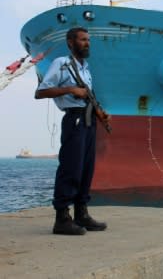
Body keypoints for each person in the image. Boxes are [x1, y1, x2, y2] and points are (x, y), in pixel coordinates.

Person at [35, 27, 109, 235]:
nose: (87, 43)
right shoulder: (61, 63)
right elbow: (40, 92)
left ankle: (81, 214)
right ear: (70, 42)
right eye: (83, 40)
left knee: (87, 168)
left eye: (88, 40)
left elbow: (89, 96)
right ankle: (61, 218)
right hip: (74, 119)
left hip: (89, 119)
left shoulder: (86, 68)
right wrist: (70, 89)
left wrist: (100, 113)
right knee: (71, 167)